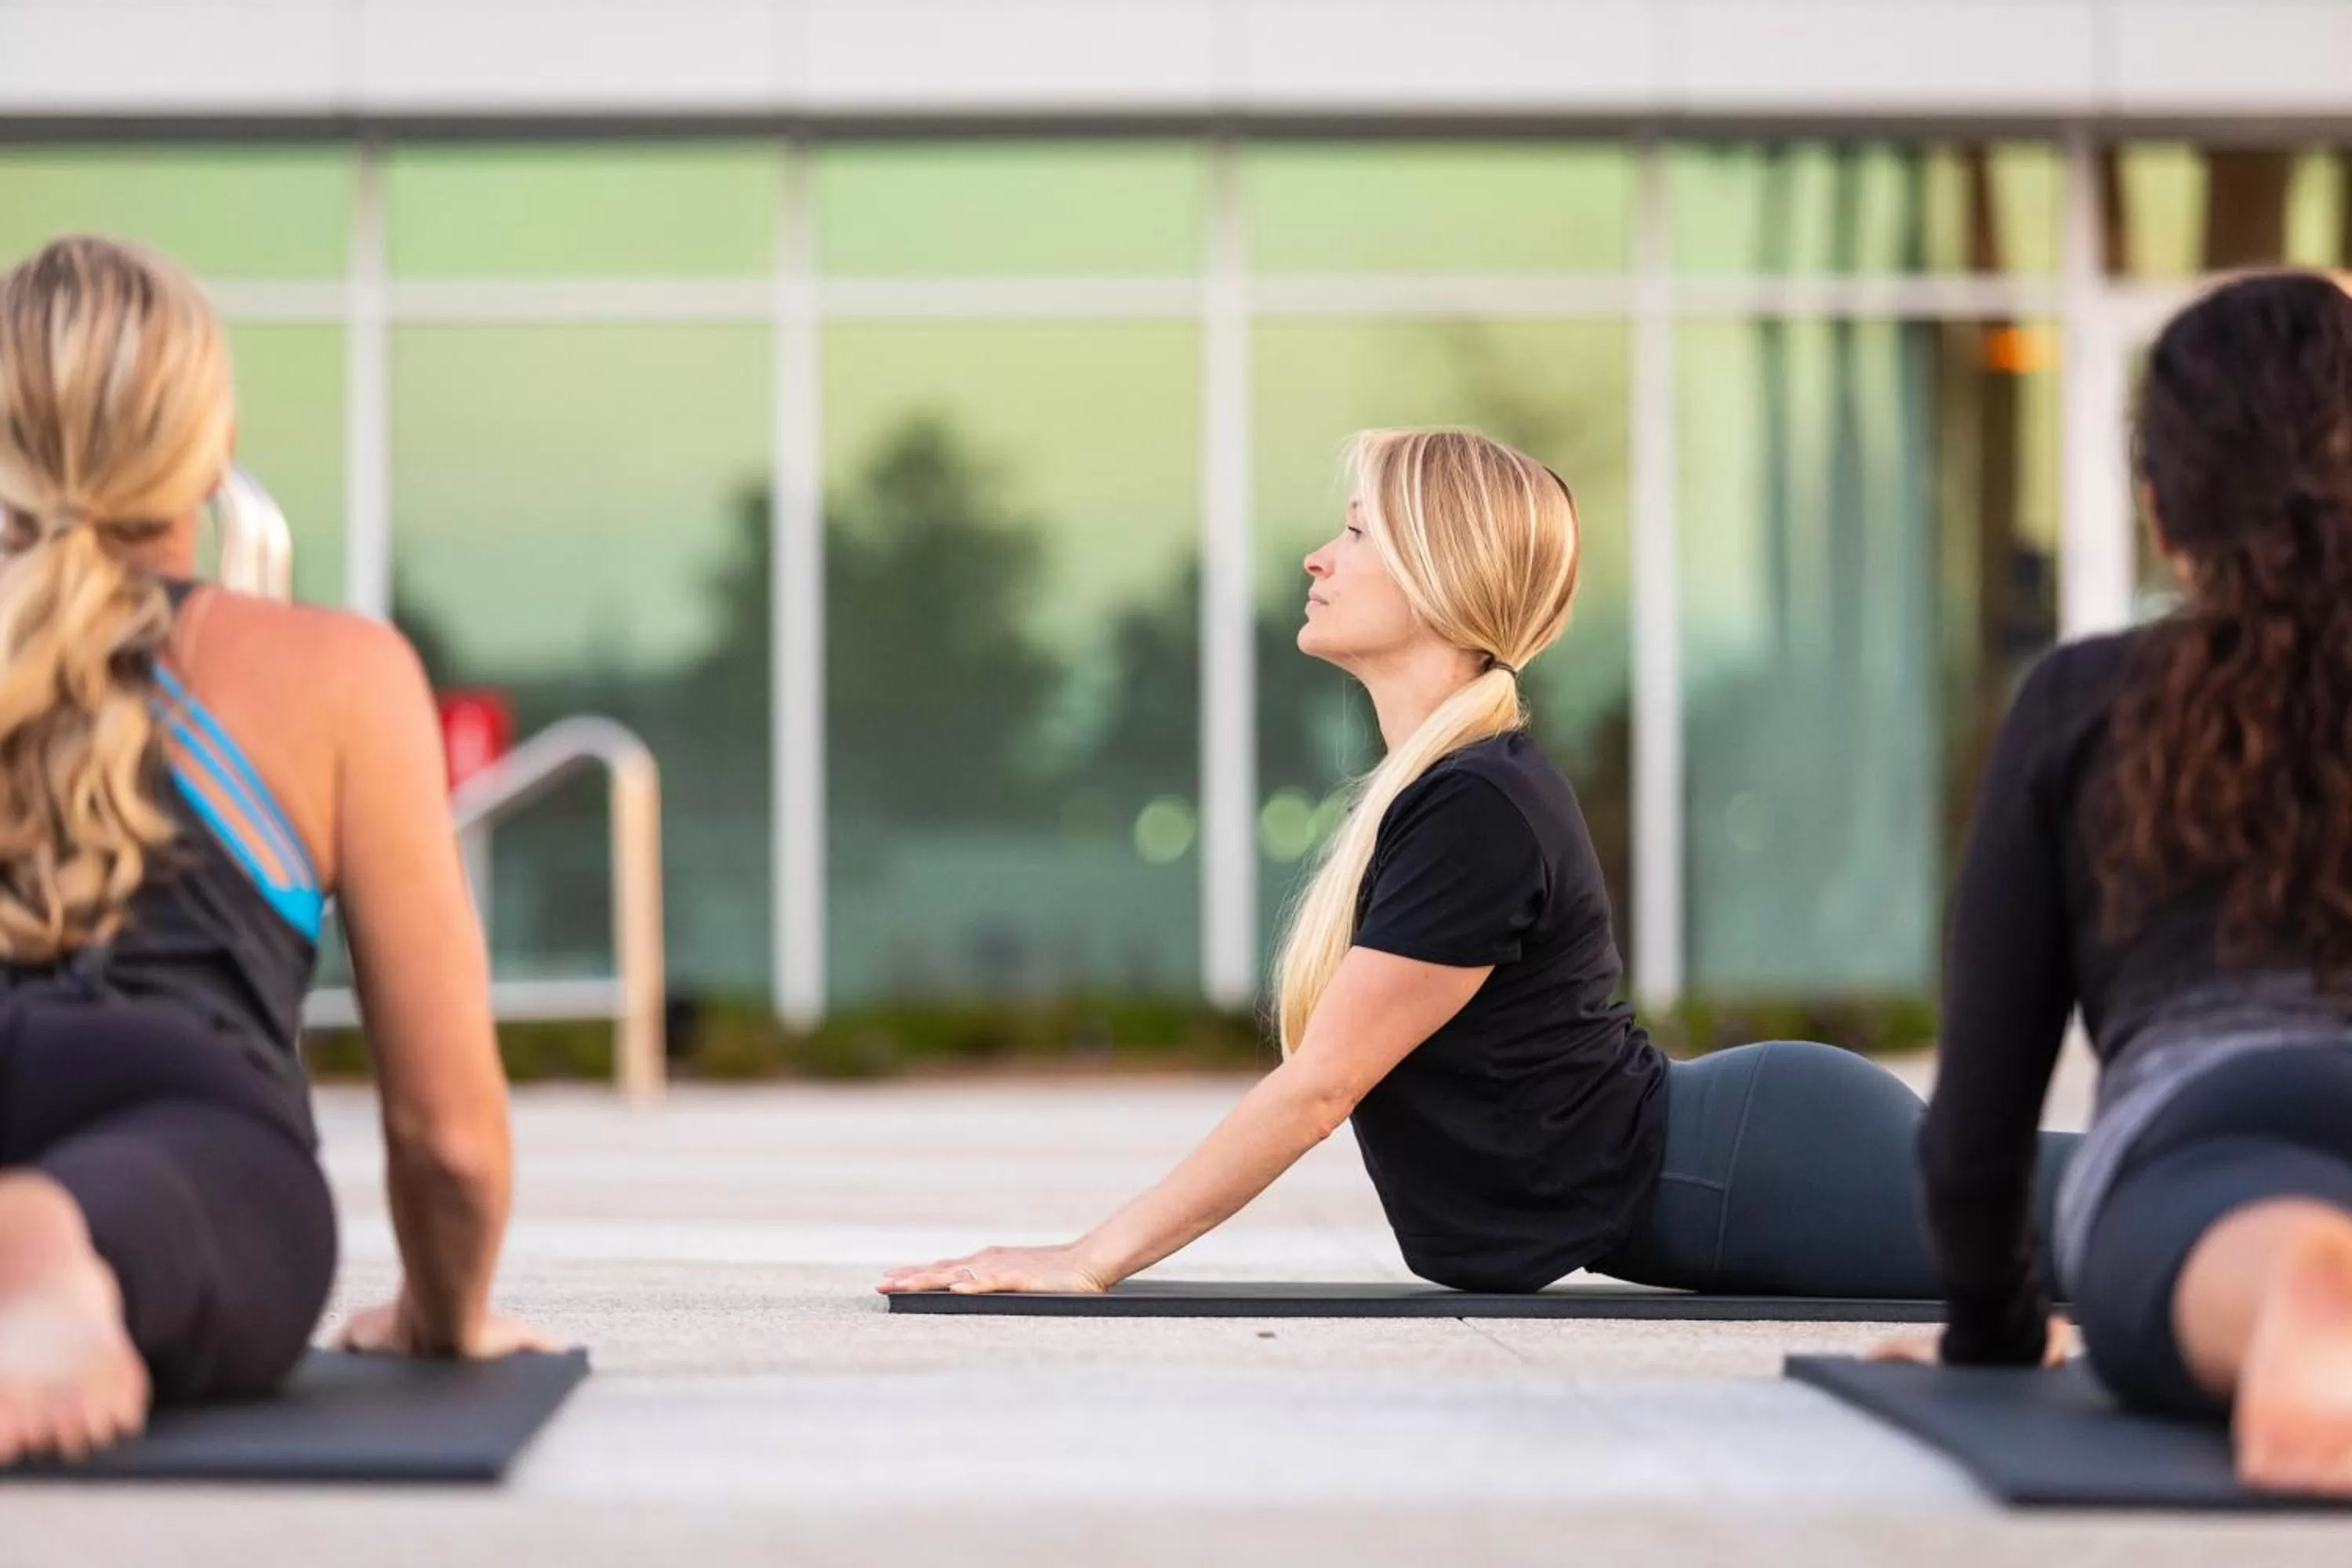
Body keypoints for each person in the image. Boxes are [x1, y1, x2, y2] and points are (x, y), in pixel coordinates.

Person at [880, 426, 2074, 1304]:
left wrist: (1091, 1258)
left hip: (1758, 1171)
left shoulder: (1477, 808)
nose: (1317, 557)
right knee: (2127, 1201)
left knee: (2132, 1215)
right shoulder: (1452, 792)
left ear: (1438, 573)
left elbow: (1318, 1090)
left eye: (1354, 533)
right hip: (1737, 1161)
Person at [0, 235, 550, 1467]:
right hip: (174, 1105)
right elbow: (448, 1137)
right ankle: (61, 1242)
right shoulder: (335, 674)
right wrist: (439, 1318)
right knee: (210, 1188)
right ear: (208, 449)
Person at [1873, 272, 2352, 1496]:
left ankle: (2299, 1288)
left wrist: (1996, 1332)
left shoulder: (2084, 702)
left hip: (2204, 1137)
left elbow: (1975, 1131)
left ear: (2159, 509)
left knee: (2238, 1239)